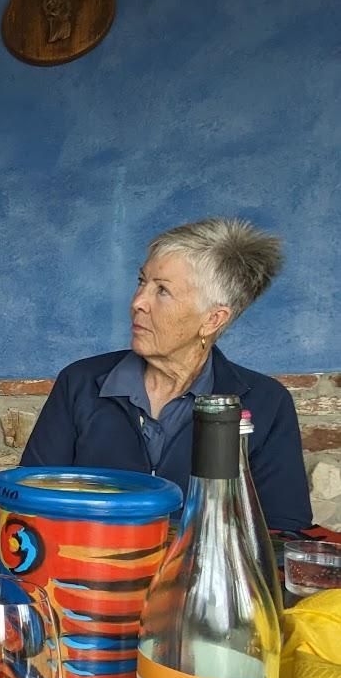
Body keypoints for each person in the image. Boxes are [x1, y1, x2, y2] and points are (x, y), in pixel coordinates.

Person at [22, 218, 311, 531]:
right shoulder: (79, 382)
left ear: (213, 319)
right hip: (84, 573)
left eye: (162, 291)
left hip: (203, 579)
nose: (137, 303)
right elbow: (26, 501)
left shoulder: (266, 403)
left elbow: (283, 532)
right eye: (141, 281)